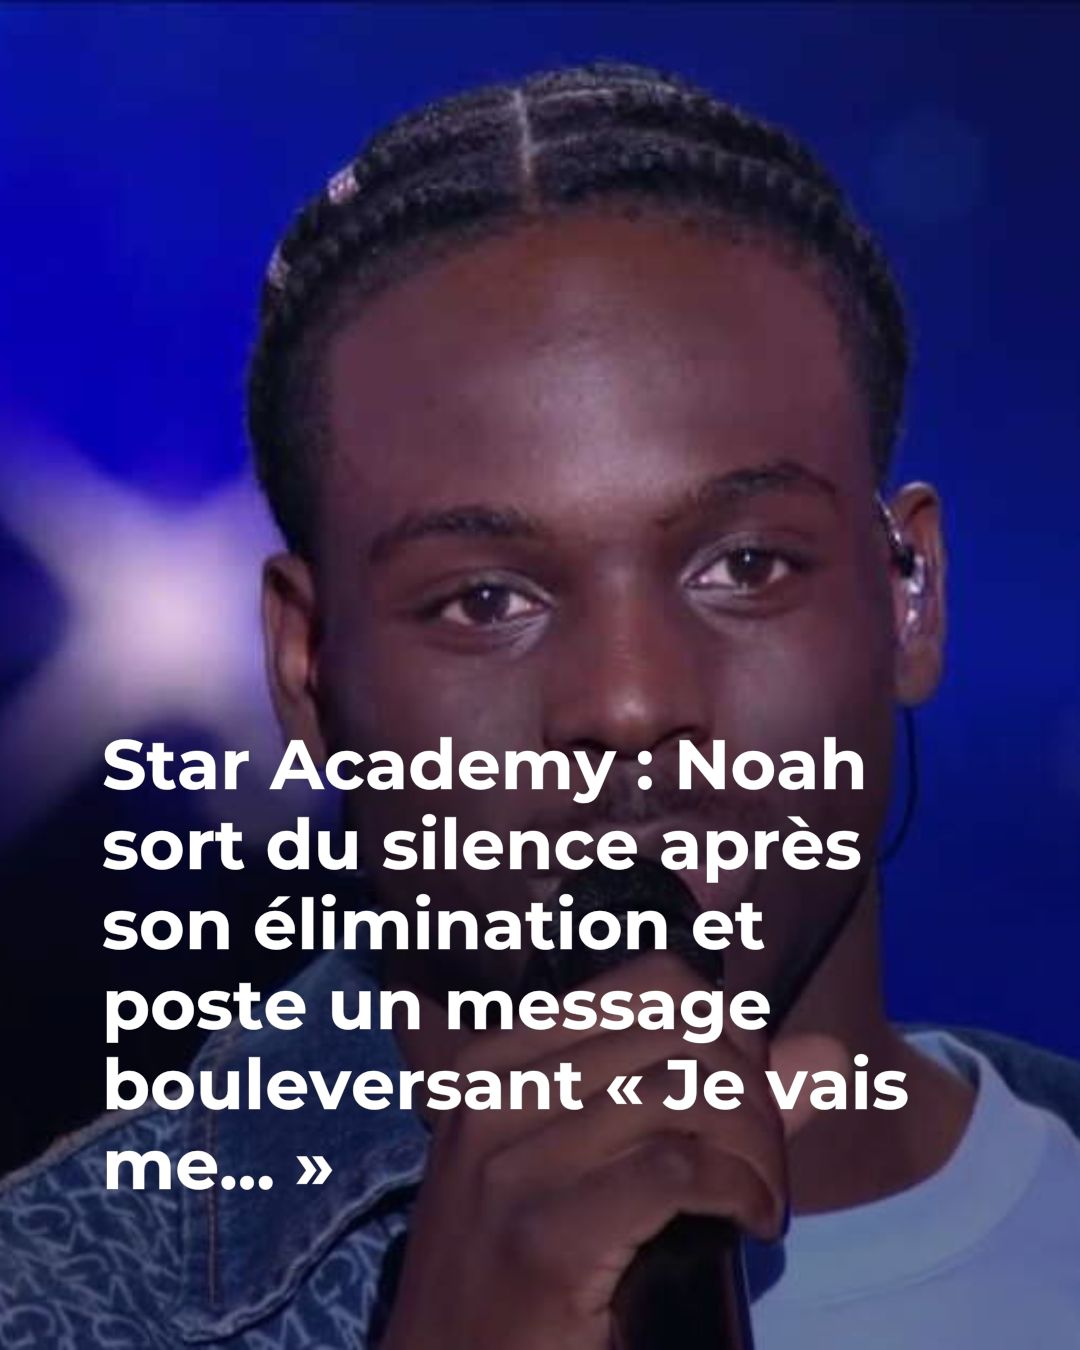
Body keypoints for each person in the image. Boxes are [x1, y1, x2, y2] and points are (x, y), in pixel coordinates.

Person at [2, 61, 1078, 1349]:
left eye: (746, 567)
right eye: (485, 599)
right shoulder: (60, 1305)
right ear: (306, 670)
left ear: (912, 594)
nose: (626, 705)